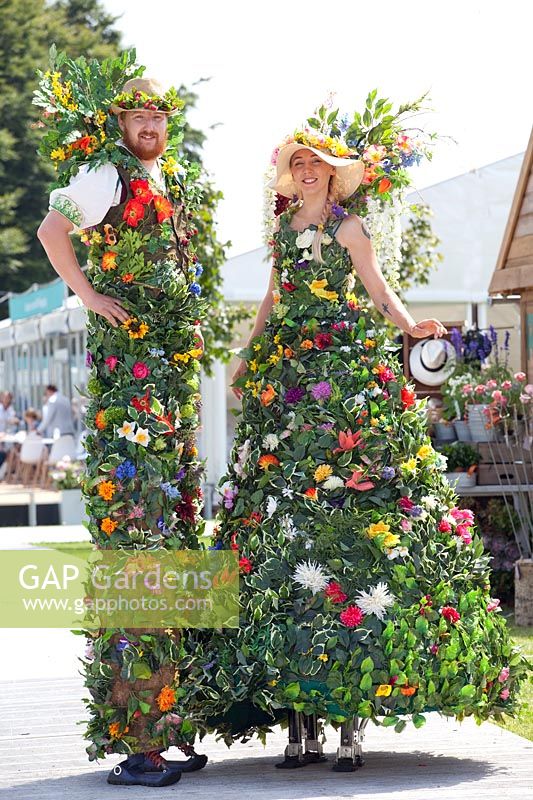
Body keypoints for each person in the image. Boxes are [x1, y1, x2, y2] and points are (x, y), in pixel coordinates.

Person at [185, 129, 527, 769]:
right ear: (290, 175)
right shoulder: (284, 232)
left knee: (353, 522)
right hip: (287, 380)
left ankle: (348, 711)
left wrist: (411, 327)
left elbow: (377, 290)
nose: (307, 171)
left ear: (333, 174)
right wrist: (248, 353)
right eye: (298, 164)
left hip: (340, 377)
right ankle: (298, 714)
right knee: (284, 525)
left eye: (316, 164)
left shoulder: (351, 229)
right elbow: (271, 299)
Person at [37, 74, 206, 787]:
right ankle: (137, 745)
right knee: (137, 544)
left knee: (174, 537)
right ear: (121, 124)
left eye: (156, 119)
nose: (148, 127)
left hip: (166, 384)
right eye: (138, 118)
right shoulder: (105, 174)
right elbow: (52, 229)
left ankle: (174, 721)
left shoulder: (168, 176)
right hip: (131, 383)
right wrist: (86, 294)